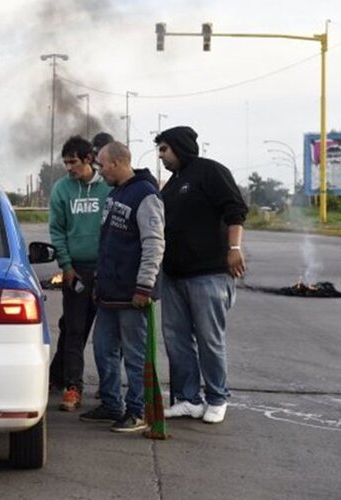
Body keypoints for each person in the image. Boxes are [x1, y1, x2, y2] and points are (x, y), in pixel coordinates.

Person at [155, 126, 248, 424]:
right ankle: (187, 398)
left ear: (180, 148)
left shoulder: (211, 172)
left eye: (164, 150)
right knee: (176, 339)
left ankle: (217, 398)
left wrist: (234, 247)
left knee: (209, 338)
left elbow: (235, 210)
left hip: (208, 273)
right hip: (174, 275)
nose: (161, 156)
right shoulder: (171, 184)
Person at [82, 141, 165, 431]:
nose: (99, 171)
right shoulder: (117, 192)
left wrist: (144, 286)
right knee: (104, 350)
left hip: (133, 295)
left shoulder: (146, 195)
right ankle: (111, 404)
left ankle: (138, 411)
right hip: (109, 292)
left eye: (102, 165)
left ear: (116, 163)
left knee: (135, 355)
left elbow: (154, 243)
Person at [48, 135, 112, 411]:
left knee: (109, 334)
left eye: (73, 162)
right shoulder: (62, 189)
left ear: (89, 159)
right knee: (74, 330)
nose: (69, 168)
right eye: (65, 163)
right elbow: (57, 231)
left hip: (108, 271)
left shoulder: (108, 188)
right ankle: (72, 387)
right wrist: (66, 265)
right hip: (77, 271)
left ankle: (110, 388)